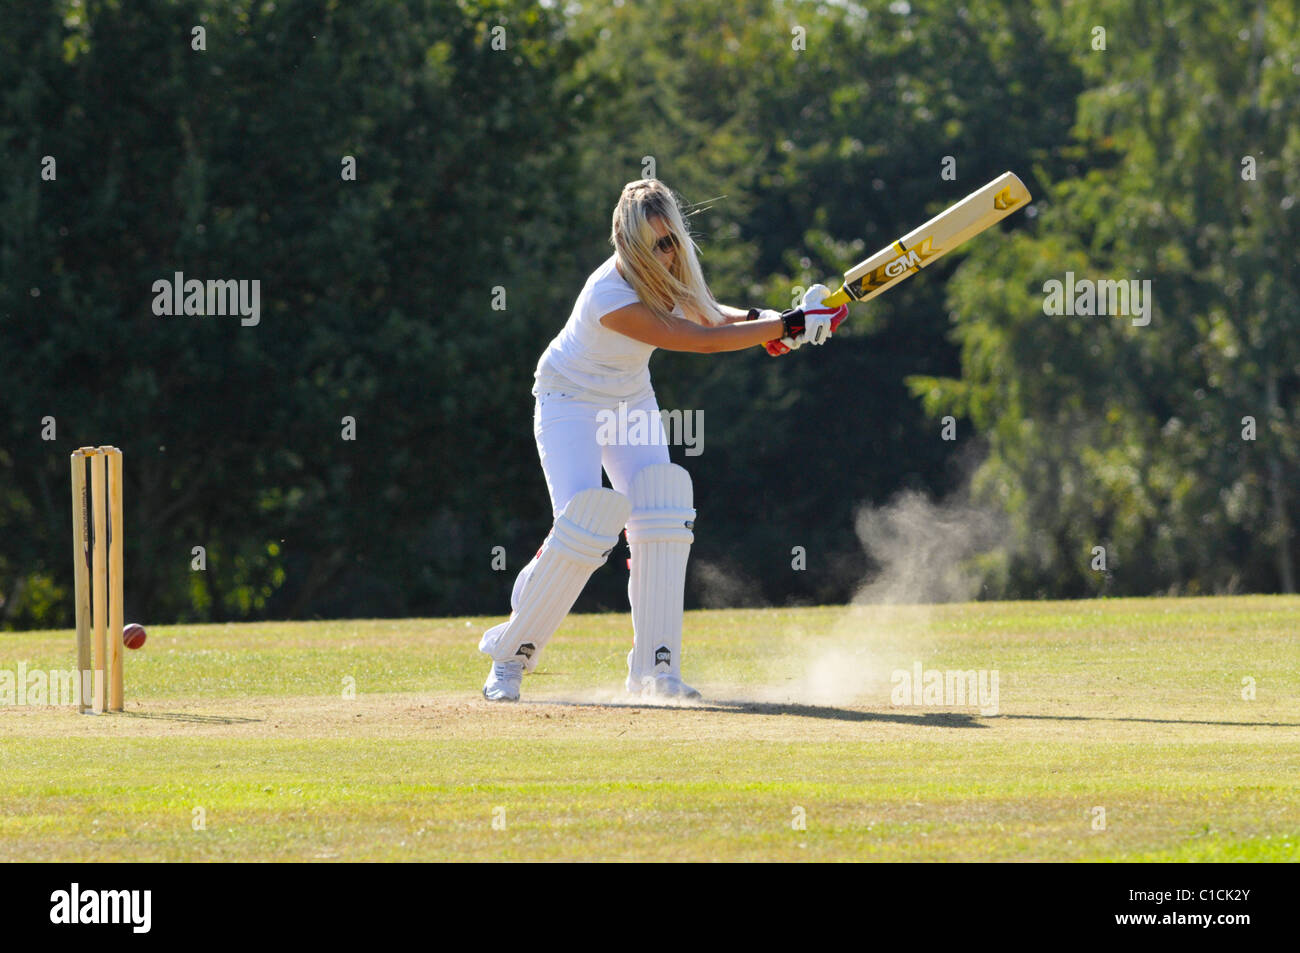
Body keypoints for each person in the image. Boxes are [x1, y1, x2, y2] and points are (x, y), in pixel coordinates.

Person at [479, 178, 846, 702]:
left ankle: (655, 670)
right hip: (569, 400)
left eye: (672, 240)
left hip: (631, 400)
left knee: (663, 509)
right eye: (656, 244)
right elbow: (697, 340)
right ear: (628, 243)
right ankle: (510, 655)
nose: (668, 253)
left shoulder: (672, 276)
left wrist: (786, 324)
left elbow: (714, 316)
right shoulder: (610, 295)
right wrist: (785, 324)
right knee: (585, 523)